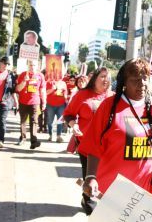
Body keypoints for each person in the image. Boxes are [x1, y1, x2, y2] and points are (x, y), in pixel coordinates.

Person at [80, 58, 152, 214]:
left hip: (144, 193)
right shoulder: (108, 107)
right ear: (124, 82)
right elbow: (93, 146)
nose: (142, 83)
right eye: (135, 79)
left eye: (145, 78)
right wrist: (90, 176)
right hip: (110, 191)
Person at [63, 67, 113, 214]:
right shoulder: (82, 95)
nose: (106, 79)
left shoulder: (113, 97)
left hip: (108, 144)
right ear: (95, 79)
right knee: (90, 172)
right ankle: (87, 198)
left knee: (105, 173)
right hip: (86, 143)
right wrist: (74, 125)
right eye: (102, 76)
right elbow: (68, 114)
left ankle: (106, 198)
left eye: (108, 77)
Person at [15, 59, 46, 149]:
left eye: (34, 65)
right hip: (23, 102)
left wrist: (44, 101)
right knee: (23, 121)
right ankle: (23, 138)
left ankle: (33, 141)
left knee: (34, 121)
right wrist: (24, 81)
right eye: (30, 65)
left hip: (35, 102)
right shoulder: (22, 75)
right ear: (28, 66)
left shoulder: (40, 76)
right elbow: (18, 89)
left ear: (38, 66)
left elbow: (42, 90)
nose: (32, 67)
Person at [45, 77, 68, 142]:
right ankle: (50, 135)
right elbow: (45, 92)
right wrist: (53, 88)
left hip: (61, 105)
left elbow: (65, 93)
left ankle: (59, 136)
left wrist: (66, 99)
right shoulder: (49, 82)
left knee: (60, 121)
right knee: (50, 121)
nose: (58, 76)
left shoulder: (63, 83)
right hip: (50, 105)